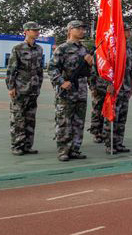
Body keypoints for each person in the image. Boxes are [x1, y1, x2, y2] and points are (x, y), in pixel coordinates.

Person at [48, 20, 93, 161]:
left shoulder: (84, 49)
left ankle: (75, 149)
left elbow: (89, 72)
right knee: (64, 121)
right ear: (70, 30)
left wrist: (90, 64)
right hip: (67, 90)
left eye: (83, 28)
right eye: (78, 28)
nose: (82, 31)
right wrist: (61, 82)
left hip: (81, 90)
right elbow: (52, 68)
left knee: (79, 121)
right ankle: (63, 150)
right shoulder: (62, 48)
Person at [5, 21, 44, 156]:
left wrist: (39, 85)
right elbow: (11, 69)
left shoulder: (39, 49)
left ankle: (27, 145)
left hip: (33, 89)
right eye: (34, 30)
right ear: (26, 32)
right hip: (20, 88)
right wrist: (11, 87)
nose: (37, 32)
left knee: (30, 118)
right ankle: (17, 145)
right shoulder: (18, 48)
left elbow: (40, 70)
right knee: (18, 118)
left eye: (37, 30)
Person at [102, 23, 132, 153]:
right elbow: (105, 68)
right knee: (112, 116)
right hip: (115, 88)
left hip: (125, 88)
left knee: (122, 118)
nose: (128, 32)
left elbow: (131, 69)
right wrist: (107, 84)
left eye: (129, 30)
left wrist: (131, 86)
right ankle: (109, 144)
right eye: (126, 30)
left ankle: (118, 143)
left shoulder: (129, 48)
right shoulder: (112, 47)